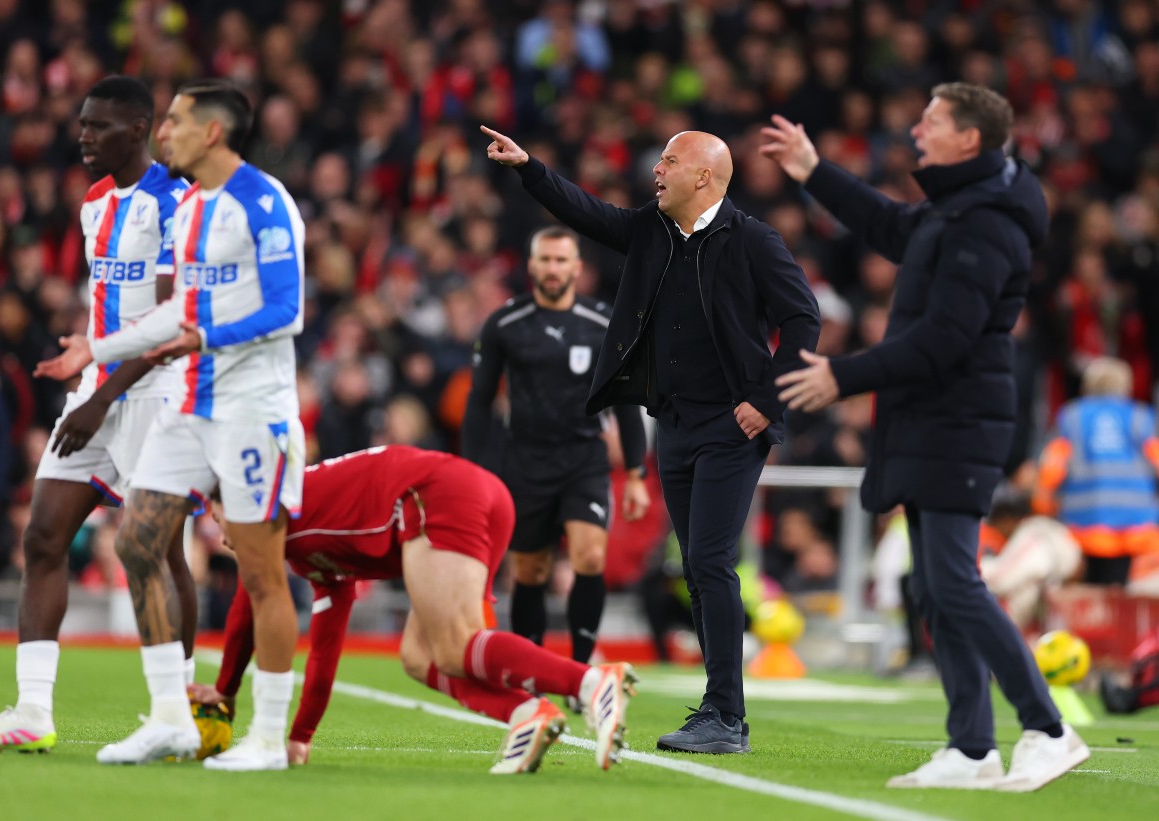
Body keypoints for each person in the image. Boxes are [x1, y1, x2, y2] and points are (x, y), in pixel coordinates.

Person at [764, 82, 1089, 791]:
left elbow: (945, 339)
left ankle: (1048, 727)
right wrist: (814, 171)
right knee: (936, 588)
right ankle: (972, 746)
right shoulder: (960, 207)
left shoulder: (988, 224)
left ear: (968, 139)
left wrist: (842, 377)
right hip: (930, 418)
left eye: (932, 121)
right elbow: (887, 226)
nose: (916, 130)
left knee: (955, 582)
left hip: (960, 419)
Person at [483, 124, 820, 754]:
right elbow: (589, 213)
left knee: (712, 562)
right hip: (675, 425)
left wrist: (764, 400)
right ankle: (720, 709)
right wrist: (530, 167)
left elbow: (803, 319)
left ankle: (725, 715)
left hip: (730, 425)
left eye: (669, 161)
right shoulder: (654, 229)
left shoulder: (752, 240)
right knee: (695, 566)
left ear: (704, 177)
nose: (656, 171)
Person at [35, 79, 305, 771]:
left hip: (252, 412)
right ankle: (170, 719)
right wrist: (96, 348)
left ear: (212, 132)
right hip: (188, 405)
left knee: (261, 573)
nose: (166, 133)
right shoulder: (189, 214)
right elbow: (169, 313)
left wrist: (200, 335)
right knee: (137, 544)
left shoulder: (265, 203)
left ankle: (270, 738)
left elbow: (287, 311)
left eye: (177, 122)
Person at [0, 76, 197, 754]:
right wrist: (85, 370)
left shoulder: (172, 204)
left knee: (160, 550)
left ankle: (180, 713)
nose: (85, 136)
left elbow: (166, 323)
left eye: (100, 126)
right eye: (83, 124)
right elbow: (108, 306)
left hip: (151, 391)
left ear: (140, 130)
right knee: (42, 536)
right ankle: (33, 709)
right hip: (94, 388)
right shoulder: (94, 203)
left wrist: (101, 397)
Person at [190, 445, 636, 774]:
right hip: (467, 493)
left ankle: (591, 681)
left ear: (237, 504)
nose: (221, 536)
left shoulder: (272, 515)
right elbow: (325, 649)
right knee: (422, 657)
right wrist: (300, 739)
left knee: (456, 643)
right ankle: (527, 714)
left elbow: (249, 605)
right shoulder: (309, 554)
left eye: (217, 518)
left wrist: (226, 689)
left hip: (433, 495)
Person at [462, 226, 650, 680]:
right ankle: (532, 670)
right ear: (531, 265)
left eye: (561, 260)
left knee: (589, 556)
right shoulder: (504, 324)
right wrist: (472, 472)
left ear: (577, 268)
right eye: (544, 260)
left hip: (584, 458)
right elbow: (479, 402)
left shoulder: (605, 323)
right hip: (524, 462)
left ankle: (582, 671)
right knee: (530, 569)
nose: (552, 268)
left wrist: (639, 471)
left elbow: (625, 401)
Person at [1032, 356, 1159, 585]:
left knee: (1090, 591)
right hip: (1137, 530)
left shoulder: (1072, 417)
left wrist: (1043, 509)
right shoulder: (1141, 417)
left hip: (1084, 528)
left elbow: (1051, 469)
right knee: (1126, 598)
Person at [981, 489, 1081, 630]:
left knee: (1019, 594)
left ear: (1007, 519)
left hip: (1060, 589)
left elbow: (998, 580)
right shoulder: (1043, 527)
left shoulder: (1031, 532)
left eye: (997, 524)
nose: (997, 531)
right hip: (1054, 590)